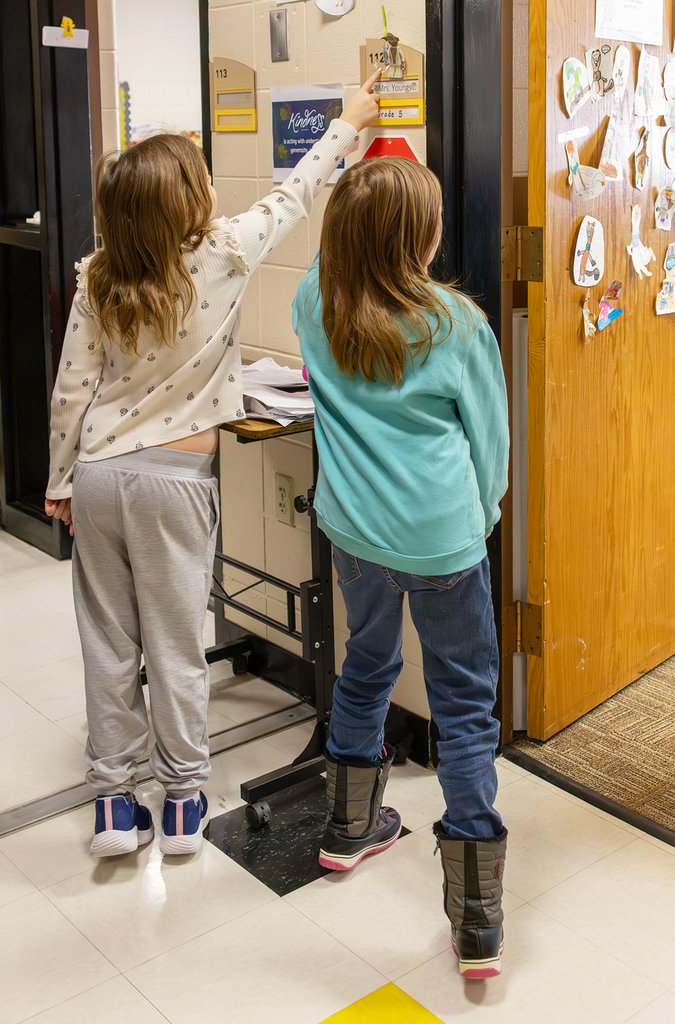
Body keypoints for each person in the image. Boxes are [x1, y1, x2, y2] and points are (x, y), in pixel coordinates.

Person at [44, 72, 382, 858]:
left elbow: (71, 391)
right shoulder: (225, 254)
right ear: (189, 203)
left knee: (108, 643)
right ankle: (182, 804)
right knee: (173, 644)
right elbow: (296, 192)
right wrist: (350, 121)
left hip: (99, 477)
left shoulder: (98, 277)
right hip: (174, 484)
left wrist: (59, 483)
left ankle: (113, 806)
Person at [292, 157, 509, 978]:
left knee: (366, 665)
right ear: (418, 236)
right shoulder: (454, 324)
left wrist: (354, 196)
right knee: (464, 704)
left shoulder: (313, 301)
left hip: (354, 535)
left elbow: (335, 257)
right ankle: (476, 915)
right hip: (441, 540)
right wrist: (482, 517)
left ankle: (347, 828)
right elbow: (489, 441)